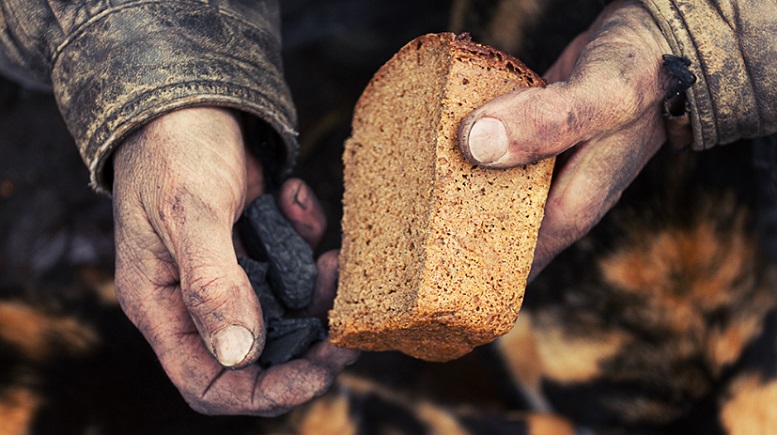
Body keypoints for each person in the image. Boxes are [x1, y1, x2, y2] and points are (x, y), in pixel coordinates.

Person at [0, 0, 774, 416]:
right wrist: (165, 84)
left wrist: (708, 35)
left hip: (687, 154)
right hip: (275, 52)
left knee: (647, 375)